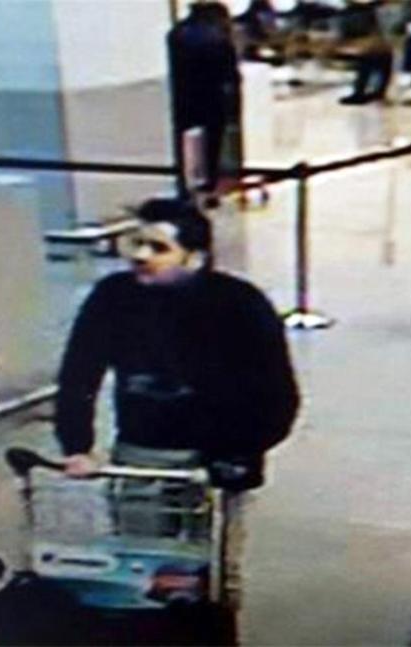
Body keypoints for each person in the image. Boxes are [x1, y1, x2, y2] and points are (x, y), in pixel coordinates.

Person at [54, 198, 299, 607]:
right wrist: (76, 445)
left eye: (158, 248)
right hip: (140, 451)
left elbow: (276, 392)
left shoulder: (239, 304)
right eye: (137, 244)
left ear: (195, 257)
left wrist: (241, 452)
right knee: (140, 569)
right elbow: (80, 372)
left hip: (215, 460)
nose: (141, 256)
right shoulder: (113, 297)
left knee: (215, 571)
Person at [168, 2, 241, 197]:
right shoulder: (218, 37)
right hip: (212, 98)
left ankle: (185, 182)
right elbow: (230, 74)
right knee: (212, 143)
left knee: (183, 141)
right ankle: (209, 182)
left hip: (182, 98)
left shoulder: (176, 34)